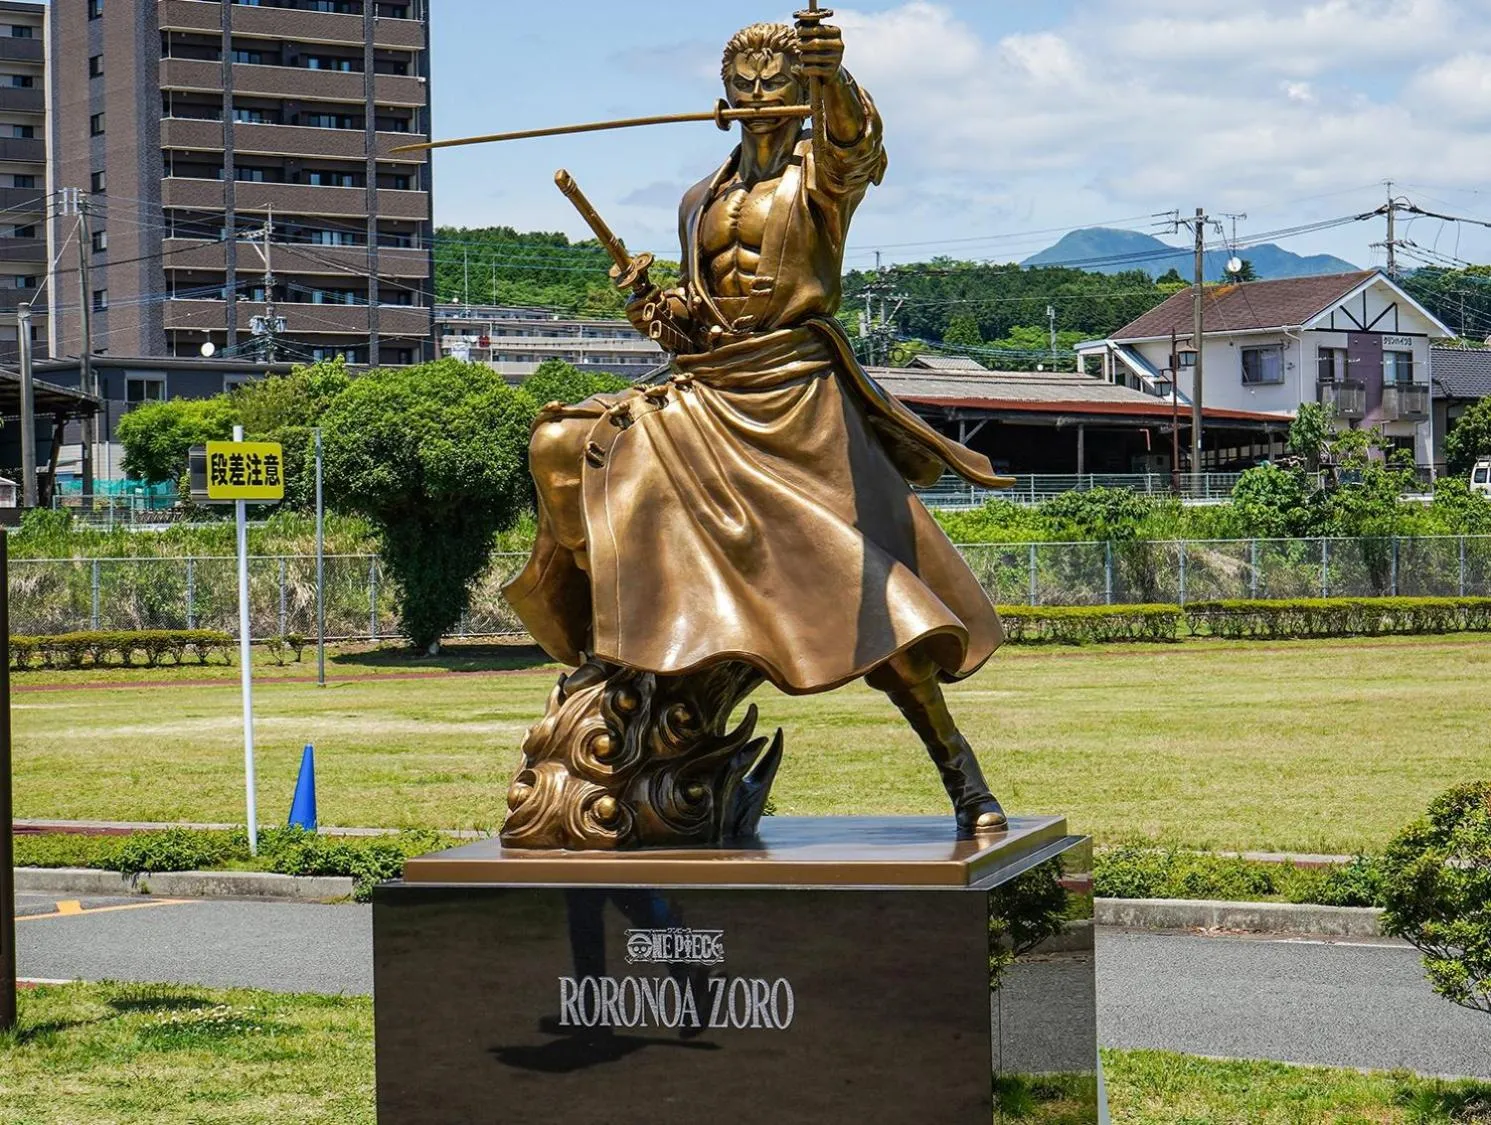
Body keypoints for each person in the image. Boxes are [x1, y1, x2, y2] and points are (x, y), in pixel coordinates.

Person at [505, 20, 1011, 833]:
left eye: (777, 82)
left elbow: (856, 143)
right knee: (562, 442)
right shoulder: (699, 199)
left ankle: (962, 776)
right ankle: (615, 652)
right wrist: (655, 308)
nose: (757, 98)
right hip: (708, 386)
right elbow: (693, 324)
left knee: (871, 602)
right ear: (726, 98)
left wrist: (834, 79)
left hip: (795, 398)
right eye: (744, 84)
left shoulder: (821, 178)